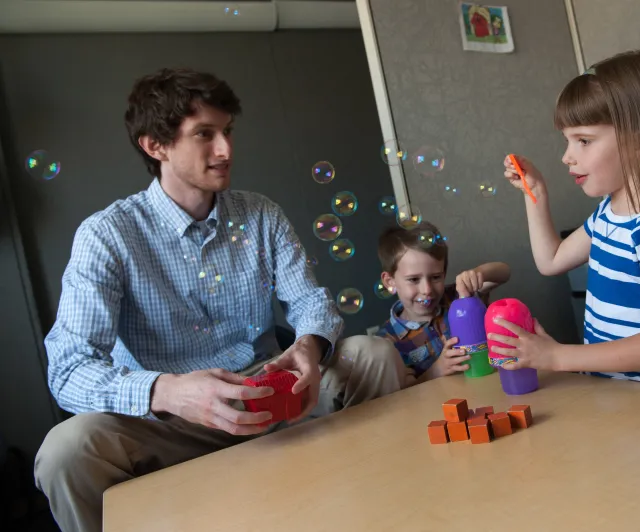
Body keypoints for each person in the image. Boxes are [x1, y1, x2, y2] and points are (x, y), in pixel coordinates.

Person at [33, 68, 405, 532]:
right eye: (204, 135)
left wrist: (309, 347)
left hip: (272, 397)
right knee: (66, 451)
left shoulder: (261, 213)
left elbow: (311, 302)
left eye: (227, 131)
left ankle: (389, 508)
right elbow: (67, 369)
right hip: (171, 419)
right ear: (156, 145)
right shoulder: (107, 236)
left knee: (373, 354)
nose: (226, 149)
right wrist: (168, 391)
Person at [498, 49, 640, 391]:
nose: (566, 156)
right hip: (623, 400)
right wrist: (536, 194)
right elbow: (551, 260)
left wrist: (558, 357)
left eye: (583, 140)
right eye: (567, 140)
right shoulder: (608, 213)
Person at [375, 221, 510, 384]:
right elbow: (404, 394)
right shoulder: (387, 341)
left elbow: (504, 273)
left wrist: (477, 273)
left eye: (436, 277)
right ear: (390, 282)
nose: (427, 289)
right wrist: (435, 372)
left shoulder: (459, 297)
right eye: (414, 279)